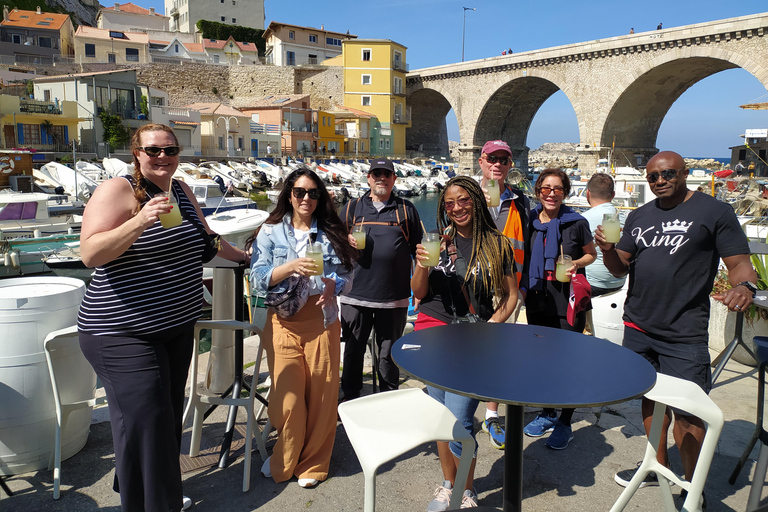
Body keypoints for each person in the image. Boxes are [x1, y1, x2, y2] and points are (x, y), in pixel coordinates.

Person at [77, 124, 249, 512]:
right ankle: (158, 503)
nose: (162, 157)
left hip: (174, 326)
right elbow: (90, 253)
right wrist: (138, 221)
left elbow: (208, 243)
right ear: (136, 152)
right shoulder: (118, 190)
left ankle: (138, 485)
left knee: (164, 416)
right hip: (121, 330)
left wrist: (246, 258)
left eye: (170, 150)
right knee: (149, 418)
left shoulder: (183, 191)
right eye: (153, 150)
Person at [596, 151, 756, 503]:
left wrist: (744, 286)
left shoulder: (714, 211)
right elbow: (620, 267)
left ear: (685, 173)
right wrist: (608, 249)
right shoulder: (638, 215)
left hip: (684, 333)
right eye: (652, 177)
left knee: (689, 414)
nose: (659, 181)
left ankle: (693, 489)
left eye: (667, 174)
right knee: (651, 400)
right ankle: (656, 465)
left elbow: (740, 262)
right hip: (638, 326)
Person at [411, 176, 518, 510]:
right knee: (441, 417)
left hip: (471, 339)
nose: (456, 208)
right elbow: (418, 293)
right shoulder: (438, 240)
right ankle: (448, 484)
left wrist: (490, 326)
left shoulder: (497, 245)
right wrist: (421, 265)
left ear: (476, 200)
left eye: (463, 200)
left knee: (460, 419)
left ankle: (465, 490)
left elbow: (512, 295)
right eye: (449, 203)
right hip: (434, 333)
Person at [250, 167, 357, 488]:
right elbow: (256, 279)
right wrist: (290, 266)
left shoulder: (331, 231)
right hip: (282, 319)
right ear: (288, 195)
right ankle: (286, 455)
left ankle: (312, 462)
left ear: (321, 197)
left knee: (323, 394)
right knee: (288, 395)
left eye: (313, 192)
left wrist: (333, 285)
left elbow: (349, 275)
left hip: (322, 317)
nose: (306, 198)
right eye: (299, 192)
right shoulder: (269, 232)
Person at [522, 168, 597, 450]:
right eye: (545, 188)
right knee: (542, 360)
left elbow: (592, 253)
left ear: (565, 192)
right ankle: (547, 412)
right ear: (538, 191)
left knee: (568, 361)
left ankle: (565, 421)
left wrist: (577, 263)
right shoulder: (530, 219)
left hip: (566, 296)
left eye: (557, 189)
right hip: (538, 297)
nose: (551, 194)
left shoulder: (576, 222)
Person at [339, 158, 422, 401]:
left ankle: (388, 400)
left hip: (393, 299)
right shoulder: (352, 208)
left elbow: (420, 251)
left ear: (394, 179)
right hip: (355, 295)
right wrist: (345, 239)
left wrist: (418, 288)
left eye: (387, 174)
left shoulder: (406, 210)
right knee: (353, 351)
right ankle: (351, 399)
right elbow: (333, 240)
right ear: (368, 177)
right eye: (377, 173)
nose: (381, 178)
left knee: (388, 355)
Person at [478, 140, 531, 450]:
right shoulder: (467, 194)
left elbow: (529, 239)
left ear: (510, 165)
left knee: (498, 353)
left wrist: (522, 287)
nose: (497, 164)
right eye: (491, 158)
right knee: (467, 346)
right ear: (482, 161)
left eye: (504, 160)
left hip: (507, 289)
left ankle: (491, 413)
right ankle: (460, 403)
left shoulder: (520, 201)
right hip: (470, 285)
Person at [581, 173, 626, 297]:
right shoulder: (624, 218)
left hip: (593, 284)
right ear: (613, 195)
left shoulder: (583, 220)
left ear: (588, 194)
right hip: (620, 282)